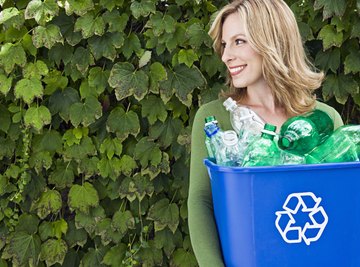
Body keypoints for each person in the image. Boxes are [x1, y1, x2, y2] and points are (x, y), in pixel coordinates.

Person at [187, 0, 344, 266]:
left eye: (239, 41)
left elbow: (342, 198)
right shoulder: (215, 119)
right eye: (224, 44)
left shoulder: (324, 119)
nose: (226, 56)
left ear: (272, 42)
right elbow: (202, 202)